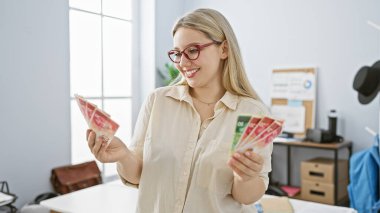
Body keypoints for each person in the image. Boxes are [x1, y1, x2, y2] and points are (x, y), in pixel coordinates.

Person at [87, 8, 273, 213]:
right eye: (177, 53)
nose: (183, 63)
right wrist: (122, 155)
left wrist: (246, 176)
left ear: (224, 49)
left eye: (193, 50)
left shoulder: (253, 113)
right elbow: (138, 176)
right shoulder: (157, 101)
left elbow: (246, 197)